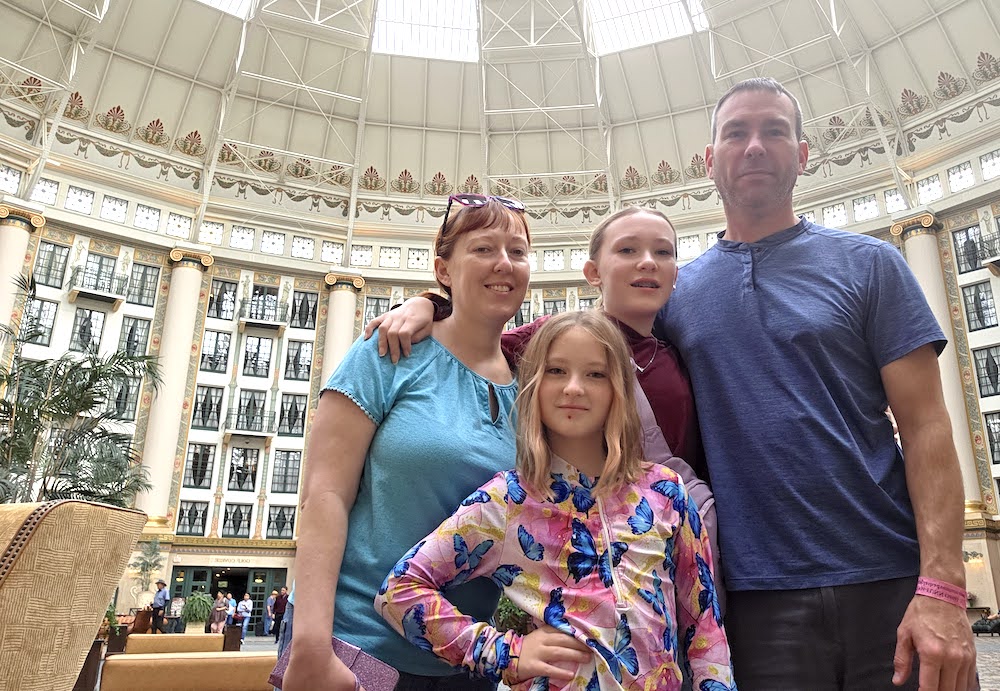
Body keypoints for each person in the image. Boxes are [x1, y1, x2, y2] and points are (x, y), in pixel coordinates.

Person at [653, 77, 976, 689]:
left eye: (774, 131)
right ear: (710, 159)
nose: (754, 146)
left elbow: (929, 427)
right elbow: (568, 352)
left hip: (891, 579)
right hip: (752, 598)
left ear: (802, 155)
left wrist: (942, 586)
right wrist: (434, 306)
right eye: (736, 133)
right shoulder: (676, 294)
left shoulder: (871, 264)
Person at [366, 206, 722, 602]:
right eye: (627, 250)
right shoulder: (562, 336)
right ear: (593, 273)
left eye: (663, 253)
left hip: (682, 529)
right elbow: (476, 343)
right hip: (596, 541)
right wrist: (430, 305)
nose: (647, 263)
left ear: (677, 273)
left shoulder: (682, 343)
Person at [376, 310, 734, 689]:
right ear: (533, 386)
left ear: (618, 389)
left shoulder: (666, 492)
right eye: (556, 371)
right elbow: (399, 591)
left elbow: (706, 630)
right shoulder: (508, 500)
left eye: (595, 374)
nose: (574, 388)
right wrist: (503, 653)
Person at [282, 193, 532, 691]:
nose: (504, 262)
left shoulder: (535, 386)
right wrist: (311, 642)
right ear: (443, 269)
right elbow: (324, 494)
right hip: (357, 646)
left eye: (518, 251)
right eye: (483, 248)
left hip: (465, 660)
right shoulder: (389, 350)